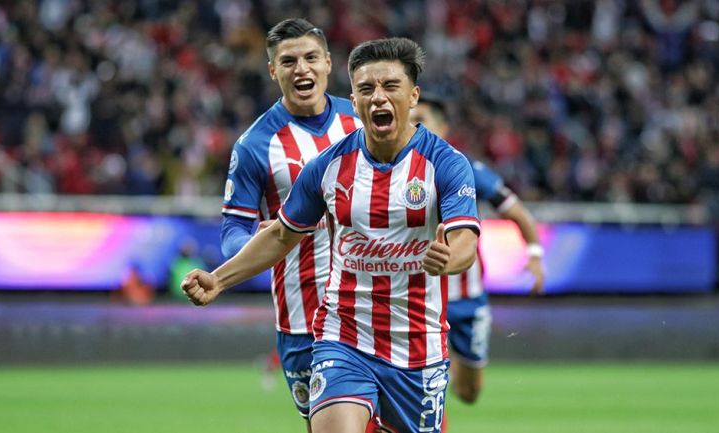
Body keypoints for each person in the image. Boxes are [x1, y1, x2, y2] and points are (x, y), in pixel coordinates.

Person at [183, 37, 480, 433]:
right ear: (353, 101)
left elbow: (465, 240)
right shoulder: (328, 166)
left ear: (413, 96)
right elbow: (280, 236)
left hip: (417, 348)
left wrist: (451, 259)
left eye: (390, 87)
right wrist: (218, 278)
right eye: (365, 89)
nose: (378, 98)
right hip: (343, 338)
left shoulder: (446, 163)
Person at [218, 18, 361, 432]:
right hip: (303, 320)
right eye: (289, 61)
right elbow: (232, 232)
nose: (302, 69)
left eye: (311, 58)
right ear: (272, 70)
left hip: (372, 309)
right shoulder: (254, 146)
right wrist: (252, 241)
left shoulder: (362, 123)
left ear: (329, 63)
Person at [410, 95, 545, 407]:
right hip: (420, 298)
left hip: (468, 300)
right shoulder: (392, 169)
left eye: (422, 120)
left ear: (443, 128)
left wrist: (535, 255)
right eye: (410, 120)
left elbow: (518, 213)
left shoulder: (466, 169)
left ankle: (453, 366)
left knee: (469, 393)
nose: (414, 127)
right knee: (423, 390)